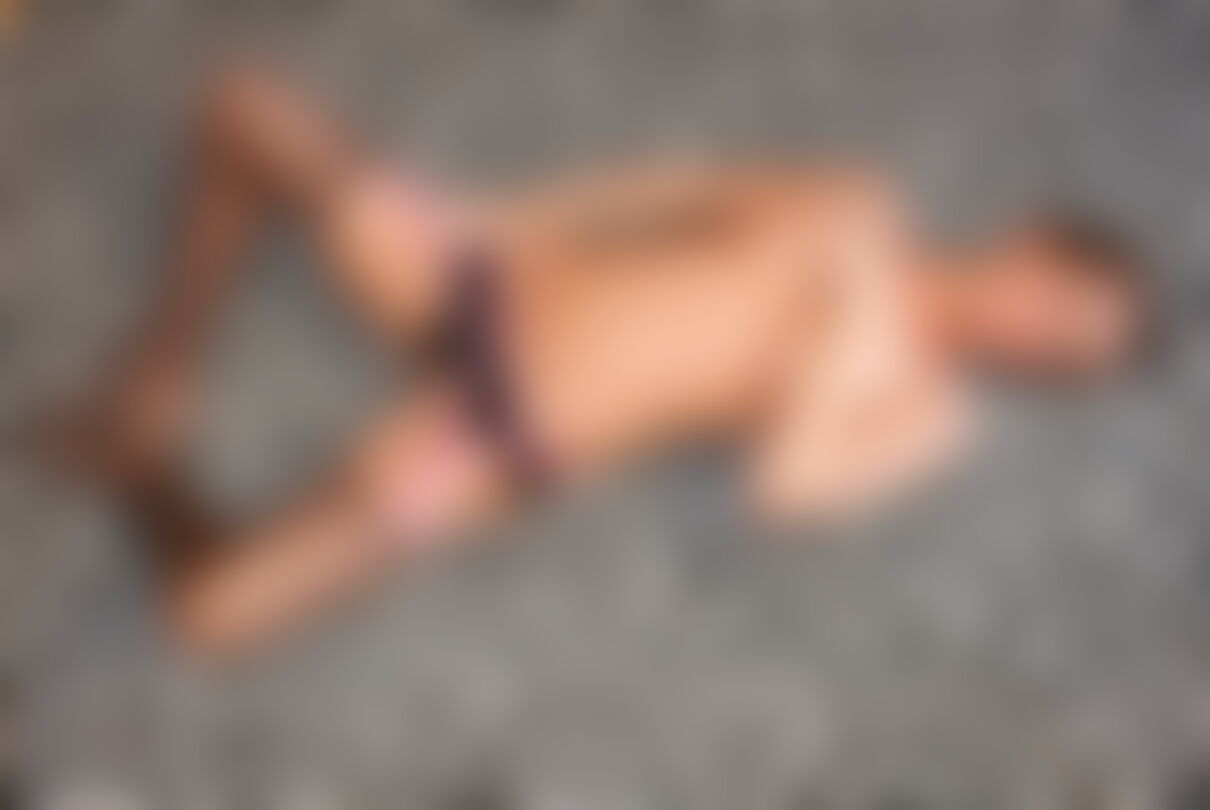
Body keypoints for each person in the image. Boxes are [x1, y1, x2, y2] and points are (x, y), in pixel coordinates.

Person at [52, 65, 1153, 658]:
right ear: (1035, 241)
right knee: (245, 105)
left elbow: (785, 495)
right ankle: (165, 372)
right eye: (1060, 307)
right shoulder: (859, 198)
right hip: (492, 280)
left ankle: (148, 468)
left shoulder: (928, 414)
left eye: (1062, 356)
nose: (1037, 337)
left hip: (499, 433)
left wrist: (836, 342)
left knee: (210, 616)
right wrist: (522, 212)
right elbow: (685, 185)